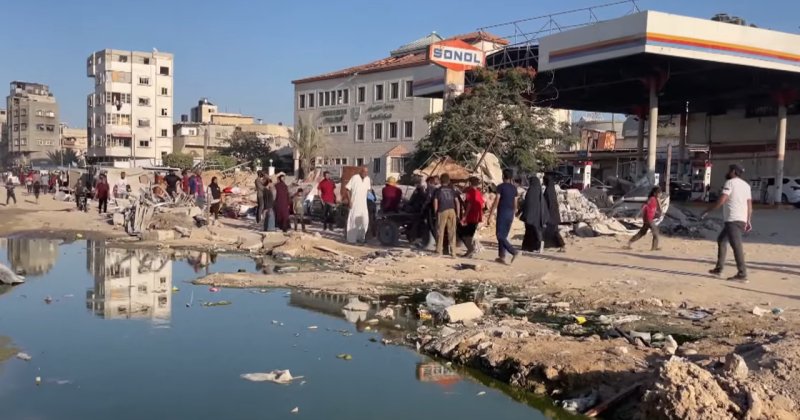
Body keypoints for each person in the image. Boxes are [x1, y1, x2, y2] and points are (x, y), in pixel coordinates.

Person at [702, 164, 752, 281]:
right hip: (741, 219)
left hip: (733, 220)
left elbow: (722, 200)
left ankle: (742, 273)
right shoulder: (746, 185)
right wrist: (748, 220)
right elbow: (749, 205)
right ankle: (719, 268)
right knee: (721, 240)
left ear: (733, 171)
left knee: (736, 246)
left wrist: (708, 210)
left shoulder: (730, 183)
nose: (728, 172)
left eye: (729, 170)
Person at [488, 169, 519, 264]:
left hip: (503, 213)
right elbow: (515, 203)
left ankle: (513, 251)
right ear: (511, 178)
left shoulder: (500, 187)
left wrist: (491, 214)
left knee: (499, 235)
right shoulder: (514, 188)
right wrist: (514, 213)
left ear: (503, 176)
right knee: (503, 235)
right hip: (510, 213)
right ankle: (502, 257)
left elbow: (496, 200)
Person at [432, 173, 459, 256]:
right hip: (452, 210)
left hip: (442, 210)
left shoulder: (438, 190)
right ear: (449, 181)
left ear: (440, 180)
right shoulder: (452, 190)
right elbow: (457, 202)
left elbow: (435, 201)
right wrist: (458, 214)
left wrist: (436, 212)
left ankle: (439, 251)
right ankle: (453, 252)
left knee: (440, 231)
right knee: (452, 232)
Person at [628, 186, 662, 251]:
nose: (660, 195)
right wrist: (637, 215)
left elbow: (656, 210)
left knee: (642, 232)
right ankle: (654, 248)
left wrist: (658, 211)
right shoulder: (651, 199)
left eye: (660, 193)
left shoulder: (655, 200)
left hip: (648, 219)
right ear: (654, 193)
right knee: (656, 232)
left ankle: (630, 242)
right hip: (648, 219)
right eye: (659, 193)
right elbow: (644, 206)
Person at [520, 176, 549, 253]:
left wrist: (521, 211)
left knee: (531, 231)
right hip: (538, 216)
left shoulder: (531, 191)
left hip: (530, 216)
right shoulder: (539, 192)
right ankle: (536, 247)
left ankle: (530, 247)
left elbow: (527, 203)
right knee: (536, 231)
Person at [344, 167, 372, 244]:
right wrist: (350, 201)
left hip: (363, 204)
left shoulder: (367, 179)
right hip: (355, 203)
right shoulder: (355, 177)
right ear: (361, 171)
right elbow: (347, 189)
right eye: (364, 171)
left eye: (367, 172)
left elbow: (368, 190)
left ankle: (361, 238)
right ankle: (351, 239)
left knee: (364, 221)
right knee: (353, 220)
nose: (365, 173)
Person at [460, 176, 484, 258]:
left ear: (470, 183)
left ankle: (470, 249)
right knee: (470, 234)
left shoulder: (470, 192)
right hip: (477, 217)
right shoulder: (479, 193)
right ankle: (469, 250)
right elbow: (482, 205)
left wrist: (464, 216)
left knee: (464, 234)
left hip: (471, 216)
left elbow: (469, 205)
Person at [543, 175, 566, 252]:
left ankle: (561, 245)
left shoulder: (548, 190)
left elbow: (548, 203)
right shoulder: (551, 189)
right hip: (553, 214)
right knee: (553, 231)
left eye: (544, 180)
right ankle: (557, 245)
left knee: (554, 231)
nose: (543, 182)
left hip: (551, 214)